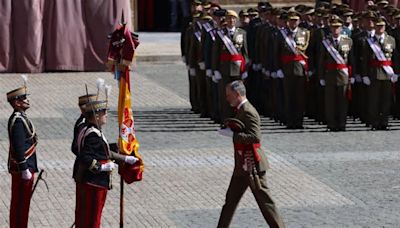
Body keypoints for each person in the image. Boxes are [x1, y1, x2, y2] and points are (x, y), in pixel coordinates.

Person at [217, 80, 285, 228]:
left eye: (229, 95)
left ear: (237, 94)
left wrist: (233, 135)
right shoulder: (240, 110)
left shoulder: (249, 111)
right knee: (230, 202)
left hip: (252, 164)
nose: (227, 98)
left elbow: (255, 137)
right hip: (241, 166)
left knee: (265, 202)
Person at [73, 100, 139, 228]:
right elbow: (85, 157)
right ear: (96, 116)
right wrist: (101, 167)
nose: (106, 114)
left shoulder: (90, 129)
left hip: (92, 182)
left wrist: (124, 158)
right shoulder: (92, 135)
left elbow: (103, 151)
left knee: (88, 217)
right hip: (94, 182)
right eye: (104, 112)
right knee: (92, 218)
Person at [7, 84, 38, 228]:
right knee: (20, 205)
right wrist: (24, 168)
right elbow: (19, 147)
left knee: (22, 205)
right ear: (17, 102)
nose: (27, 100)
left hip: (22, 168)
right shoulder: (18, 121)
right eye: (23, 98)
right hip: (22, 170)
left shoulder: (20, 117)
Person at [318, 15, 354, 131]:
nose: (335, 30)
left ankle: (342, 123)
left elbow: (352, 60)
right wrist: (321, 76)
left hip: (343, 75)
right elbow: (321, 61)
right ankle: (331, 124)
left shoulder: (348, 41)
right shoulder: (325, 42)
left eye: (337, 27)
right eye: (333, 27)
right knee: (330, 102)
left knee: (342, 102)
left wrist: (353, 75)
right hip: (330, 75)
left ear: (341, 28)